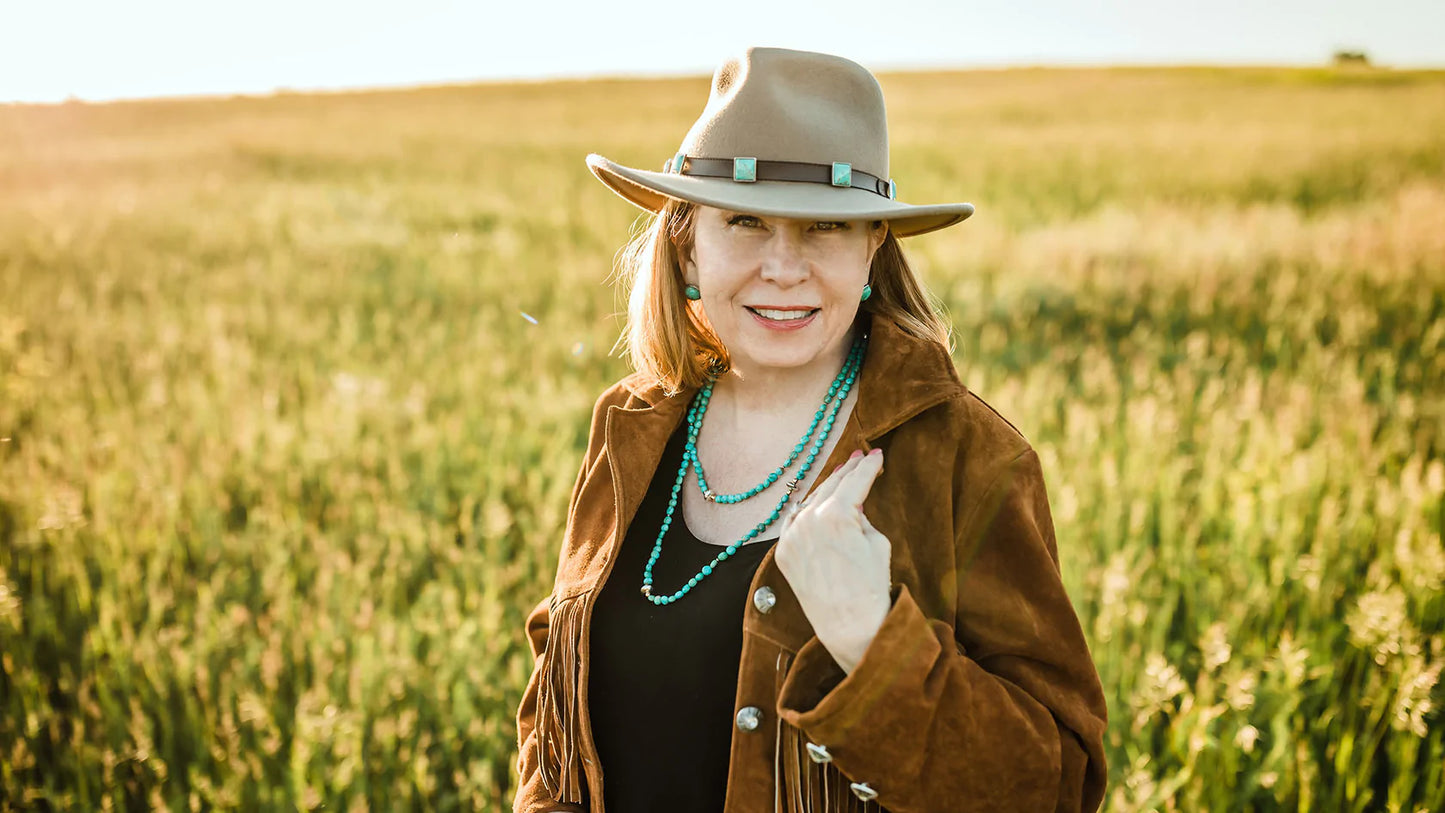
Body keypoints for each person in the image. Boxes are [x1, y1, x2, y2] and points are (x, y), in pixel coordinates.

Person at [513, 46, 1108, 813]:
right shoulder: (630, 424)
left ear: (873, 248)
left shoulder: (965, 458)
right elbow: (552, 719)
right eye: (747, 222)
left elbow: (1056, 787)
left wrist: (873, 644)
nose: (783, 267)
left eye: (824, 226)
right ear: (687, 239)